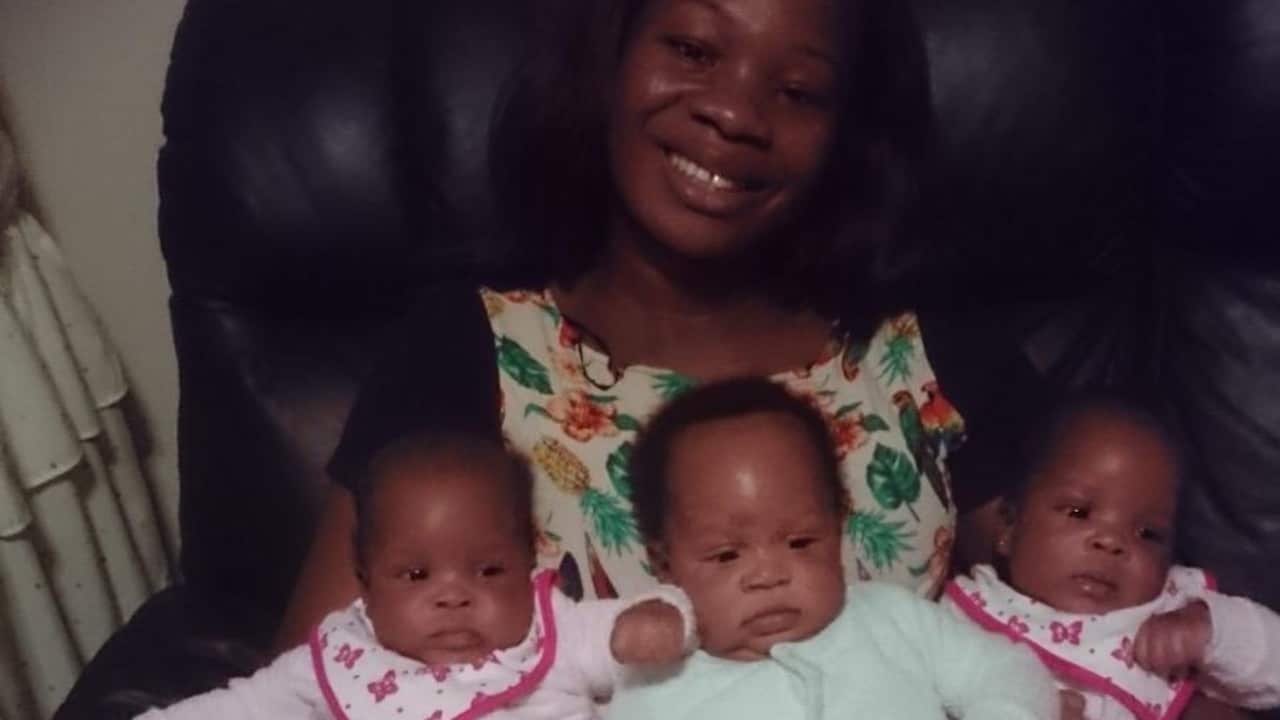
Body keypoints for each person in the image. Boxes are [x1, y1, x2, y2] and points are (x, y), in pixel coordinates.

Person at [276, 0, 1039, 647]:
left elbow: (1098, 610)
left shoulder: (924, 341)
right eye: (692, 49)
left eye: (800, 90)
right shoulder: (465, 345)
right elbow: (318, 681)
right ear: (610, 57)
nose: (736, 113)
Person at [133, 432, 695, 720]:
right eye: (417, 574)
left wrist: (661, 619)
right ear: (366, 585)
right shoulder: (341, 661)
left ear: (529, 566)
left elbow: (630, 632)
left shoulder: (552, 632)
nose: (453, 595)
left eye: (489, 570)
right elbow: (240, 710)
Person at [605, 377, 1058, 719]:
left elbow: (1008, 672)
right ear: (664, 563)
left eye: (800, 542)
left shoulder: (893, 619)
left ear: (838, 528)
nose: (769, 575)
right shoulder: (655, 690)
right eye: (727, 555)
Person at [945, 395, 1280, 720]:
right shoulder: (965, 621)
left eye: (1148, 534)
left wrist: (1212, 632)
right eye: (1078, 512)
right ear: (1008, 526)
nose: (1111, 541)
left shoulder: (1170, 610)